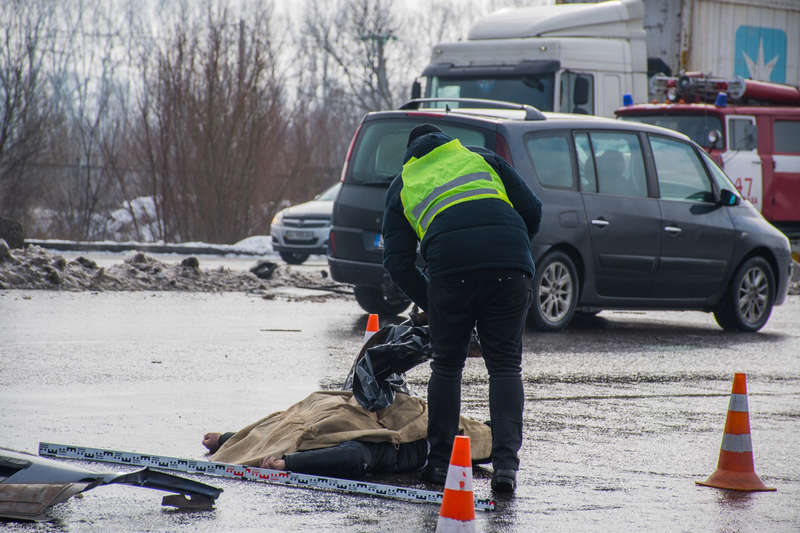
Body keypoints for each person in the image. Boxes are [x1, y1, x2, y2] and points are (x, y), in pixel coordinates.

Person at [382, 124, 542, 493]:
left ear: (410, 152)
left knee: (448, 365)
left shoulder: (404, 182)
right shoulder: (481, 158)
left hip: (451, 272)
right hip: (510, 266)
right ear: (445, 141)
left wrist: (431, 304)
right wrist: (516, 252)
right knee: (504, 365)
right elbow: (532, 208)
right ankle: (505, 469)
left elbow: (399, 263)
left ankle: (439, 466)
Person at [201, 390, 491, 480]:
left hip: (389, 436)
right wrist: (230, 437)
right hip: (375, 415)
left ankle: (237, 443)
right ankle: (232, 441)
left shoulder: (468, 438)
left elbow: (357, 456)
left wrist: (288, 464)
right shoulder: (460, 425)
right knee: (311, 414)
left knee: (311, 427)